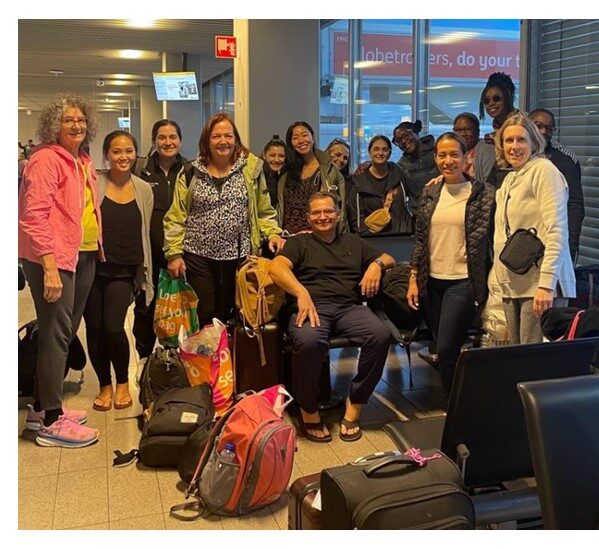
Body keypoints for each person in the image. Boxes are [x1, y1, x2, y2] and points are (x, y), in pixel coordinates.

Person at [269, 191, 395, 442]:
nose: (323, 217)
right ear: (308, 218)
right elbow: (276, 268)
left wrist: (375, 265)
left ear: (337, 214)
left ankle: (356, 402)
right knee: (308, 342)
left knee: (380, 335)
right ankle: (308, 409)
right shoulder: (299, 243)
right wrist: (301, 292)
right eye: (316, 212)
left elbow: (388, 258)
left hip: (349, 308)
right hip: (311, 308)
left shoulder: (353, 242)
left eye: (328, 211)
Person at [18, 92, 101, 448]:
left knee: (64, 332)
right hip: (53, 259)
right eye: (69, 120)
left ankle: (40, 407)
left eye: (81, 119)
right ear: (55, 125)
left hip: (82, 255)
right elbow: (32, 216)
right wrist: (49, 267)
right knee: (54, 332)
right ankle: (51, 421)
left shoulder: (81, 160)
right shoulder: (45, 160)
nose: (77, 124)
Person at [163, 112, 285, 326]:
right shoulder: (190, 172)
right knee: (205, 310)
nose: (223, 141)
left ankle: (230, 356)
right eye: (216, 136)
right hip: (198, 255)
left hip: (239, 256)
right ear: (206, 141)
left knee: (234, 312)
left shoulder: (251, 170)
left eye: (228, 136)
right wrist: (174, 253)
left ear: (236, 139)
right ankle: (206, 357)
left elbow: (264, 210)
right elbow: (176, 216)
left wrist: (273, 233)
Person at [407, 133, 495, 407]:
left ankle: (455, 407)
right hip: (431, 282)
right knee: (444, 347)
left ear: (467, 156)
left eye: (454, 154)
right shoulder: (430, 192)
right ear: (435, 158)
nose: (448, 160)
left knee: (446, 348)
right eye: (442, 155)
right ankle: (460, 402)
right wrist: (413, 277)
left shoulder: (485, 194)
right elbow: (421, 239)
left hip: (463, 282)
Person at [83, 131, 153, 411]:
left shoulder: (143, 188)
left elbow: (146, 231)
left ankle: (122, 381)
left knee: (113, 325)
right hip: (92, 268)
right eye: (116, 151)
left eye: (128, 151)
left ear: (136, 154)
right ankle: (104, 384)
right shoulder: (95, 183)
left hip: (125, 269)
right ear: (107, 155)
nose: (123, 156)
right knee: (95, 328)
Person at [493, 114, 576, 344]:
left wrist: (547, 285)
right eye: (508, 141)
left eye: (521, 140)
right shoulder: (511, 178)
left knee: (534, 367)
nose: (514, 146)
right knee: (519, 364)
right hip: (515, 284)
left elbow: (557, 230)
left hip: (539, 285)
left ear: (534, 142)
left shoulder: (544, 170)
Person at [132, 119, 187, 369]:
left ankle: (176, 360)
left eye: (173, 137)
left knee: (178, 307)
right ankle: (144, 359)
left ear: (180, 140)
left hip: (181, 253)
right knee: (147, 307)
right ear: (154, 141)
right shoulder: (140, 169)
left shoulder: (190, 169)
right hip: (149, 253)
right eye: (162, 137)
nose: (168, 142)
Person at [528, 108, 585, 262]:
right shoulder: (516, 155)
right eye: (539, 126)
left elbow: (575, 204)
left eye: (549, 128)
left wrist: (571, 246)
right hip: (519, 239)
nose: (544, 131)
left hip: (553, 241)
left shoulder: (565, 159)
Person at [277, 121, 347, 234]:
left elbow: (341, 208)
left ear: (313, 137)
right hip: (288, 237)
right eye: (295, 138)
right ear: (290, 143)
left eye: (305, 135)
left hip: (317, 236)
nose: (301, 141)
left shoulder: (329, 169)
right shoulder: (286, 169)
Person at [346, 135, 412, 235]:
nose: (380, 153)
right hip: (372, 242)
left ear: (389, 153)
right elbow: (357, 222)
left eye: (385, 150)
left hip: (400, 238)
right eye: (376, 149)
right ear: (370, 152)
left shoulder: (399, 174)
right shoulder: (359, 183)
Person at [475, 72, 522, 186]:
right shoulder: (492, 134)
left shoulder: (523, 124)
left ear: (509, 96)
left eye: (496, 98)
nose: (491, 104)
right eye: (486, 101)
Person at [392, 120, 439, 214]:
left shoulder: (438, 151)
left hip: (443, 211)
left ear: (415, 131)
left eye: (405, 135)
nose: (403, 141)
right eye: (398, 141)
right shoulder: (402, 165)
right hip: (419, 217)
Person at [453, 113, 482, 179]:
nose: (462, 134)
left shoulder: (485, 150)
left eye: (468, 129)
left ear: (478, 131)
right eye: (458, 130)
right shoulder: (453, 152)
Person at [261, 134, 287, 209]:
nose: (276, 160)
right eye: (272, 155)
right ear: (264, 156)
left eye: (281, 156)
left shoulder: (281, 176)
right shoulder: (258, 177)